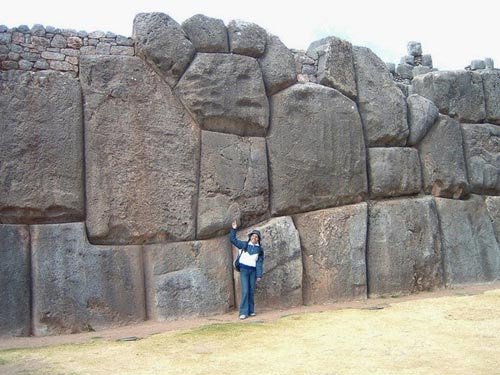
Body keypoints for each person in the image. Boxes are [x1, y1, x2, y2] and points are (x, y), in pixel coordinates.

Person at [230, 220, 264, 320]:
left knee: (251, 291)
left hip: (253, 272)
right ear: (250, 237)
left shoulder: (259, 250)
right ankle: (243, 312)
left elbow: (259, 262)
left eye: (256, 237)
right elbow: (233, 239)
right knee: (245, 291)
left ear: (258, 239)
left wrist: (259, 275)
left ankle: (251, 310)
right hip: (244, 270)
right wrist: (234, 229)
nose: (254, 238)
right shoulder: (244, 245)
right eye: (253, 236)